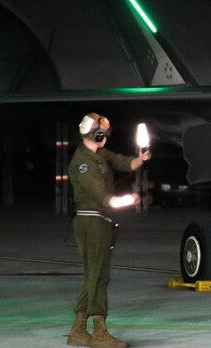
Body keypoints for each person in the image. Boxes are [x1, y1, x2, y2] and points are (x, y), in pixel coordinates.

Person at [67, 113, 151, 348]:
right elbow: (106, 199)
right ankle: (100, 331)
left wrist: (140, 159)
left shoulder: (100, 154)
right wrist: (130, 199)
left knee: (95, 275)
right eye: (103, 131)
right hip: (91, 221)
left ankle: (78, 329)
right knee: (98, 276)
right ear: (96, 133)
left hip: (100, 221)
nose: (106, 136)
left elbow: (124, 163)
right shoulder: (82, 164)